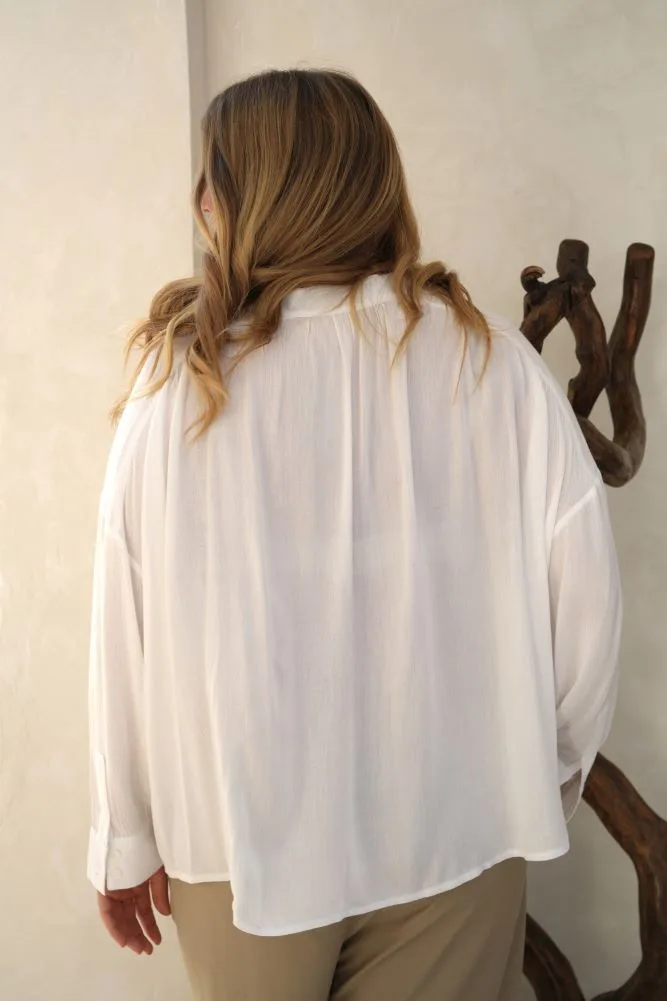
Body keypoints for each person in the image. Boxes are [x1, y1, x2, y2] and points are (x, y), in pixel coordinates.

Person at [87, 69, 621, 1001]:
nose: (198, 201)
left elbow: (123, 629)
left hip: (237, 842)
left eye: (209, 177)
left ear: (239, 195)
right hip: (459, 824)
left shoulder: (180, 386)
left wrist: (124, 836)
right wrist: (535, 774)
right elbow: (586, 608)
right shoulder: (493, 364)